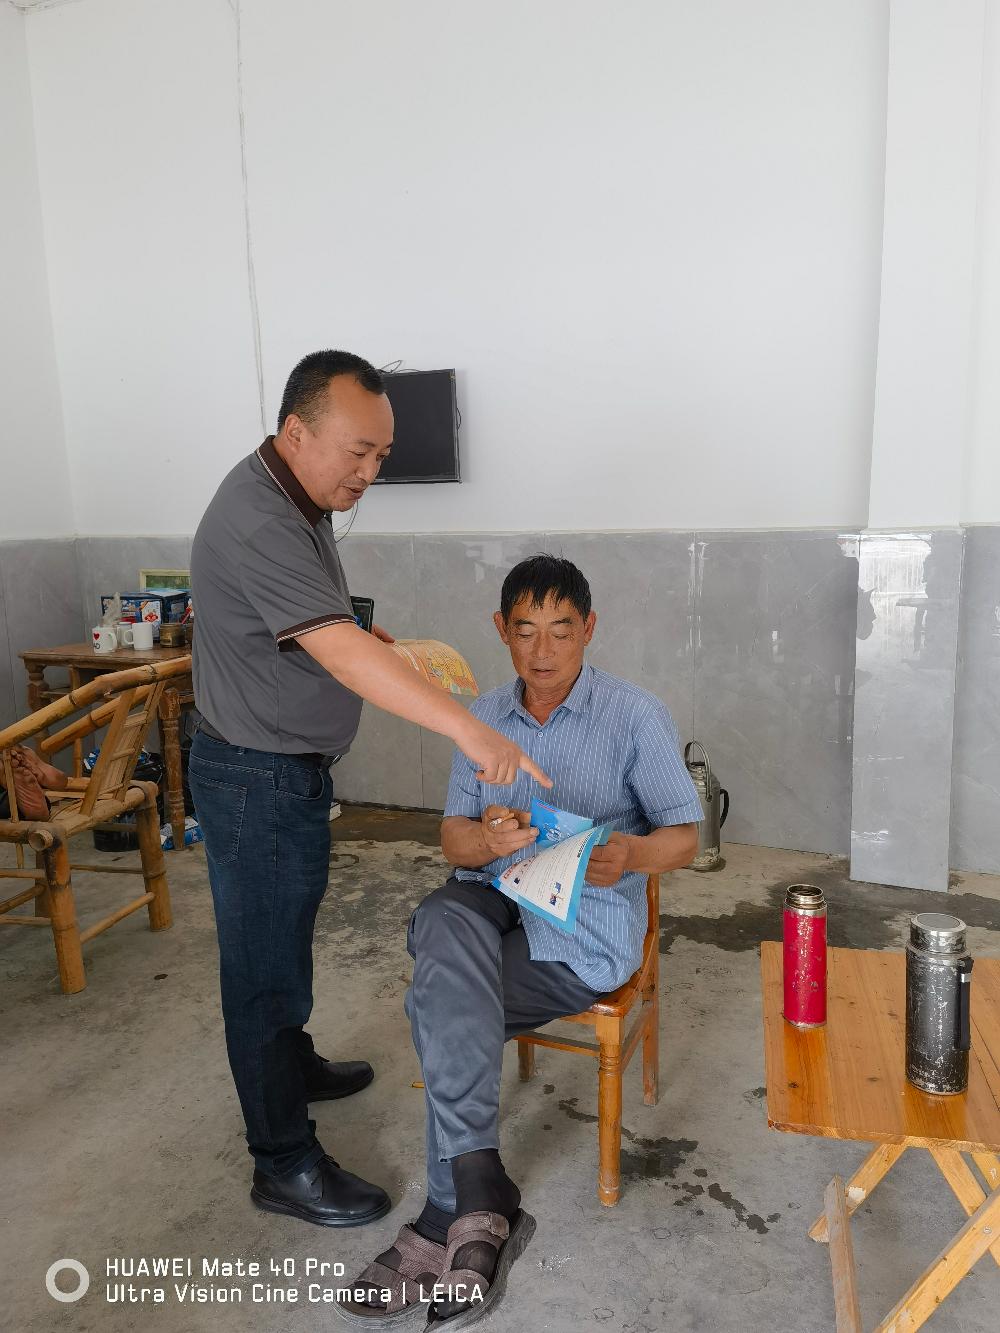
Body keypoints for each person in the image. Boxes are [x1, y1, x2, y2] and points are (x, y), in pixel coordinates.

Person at [188, 350, 550, 1231]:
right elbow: (341, 657)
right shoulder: (260, 518)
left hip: (282, 769)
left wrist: (360, 628)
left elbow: (318, 624)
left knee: (284, 941)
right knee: (261, 971)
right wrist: (468, 728)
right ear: (296, 430)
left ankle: (292, 1063)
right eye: (359, 452)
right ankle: (283, 1160)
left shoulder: (297, 497)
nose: (369, 473)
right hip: (256, 778)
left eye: (382, 456)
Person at [341, 554, 701, 1325]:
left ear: (589, 629)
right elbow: (452, 838)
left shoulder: (635, 715)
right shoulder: (481, 718)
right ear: (501, 629)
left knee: (441, 999)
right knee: (443, 917)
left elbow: (684, 837)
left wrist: (632, 853)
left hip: (580, 929)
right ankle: (482, 1192)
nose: (543, 651)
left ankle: (449, 1208)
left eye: (561, 631)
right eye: (526, 630)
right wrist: (488, 837)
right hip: (491, 901)